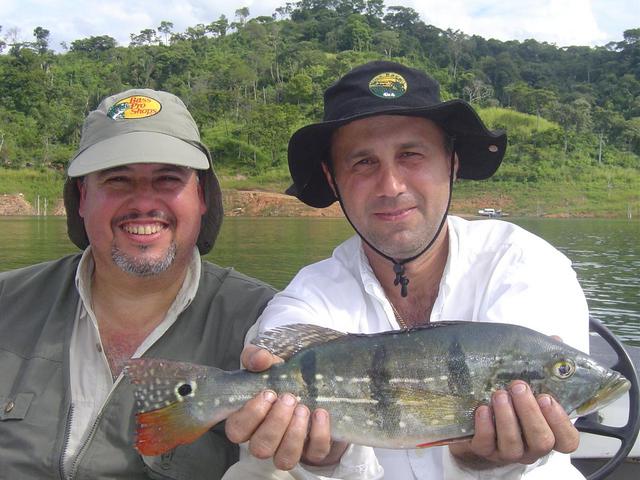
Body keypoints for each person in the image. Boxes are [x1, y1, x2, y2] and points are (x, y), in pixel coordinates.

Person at [222, 61, 590, 479]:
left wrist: (483, 459)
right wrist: (323, 459)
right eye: (363, 162)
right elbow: (277, 358)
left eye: (411, 154)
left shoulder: (527, 265)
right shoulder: (306, 298)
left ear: (451, 163)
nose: (391, 186)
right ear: (332, 177)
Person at [0, 89, 275, 479]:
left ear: (202, 197)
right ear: (81, 198)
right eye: (117, 179)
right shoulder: (6, 303)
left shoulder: (264, 324)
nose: (144, 201)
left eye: (167, 179)